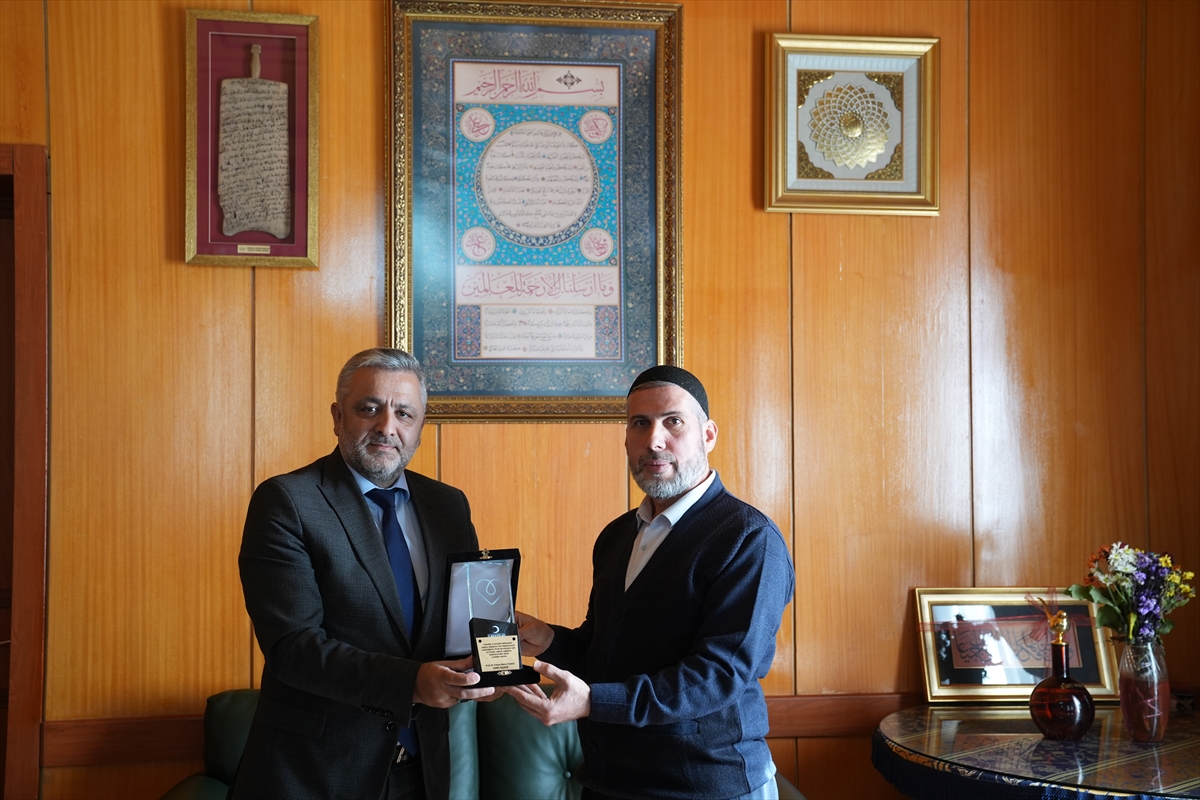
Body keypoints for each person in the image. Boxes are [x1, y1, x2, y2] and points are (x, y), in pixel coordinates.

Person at [504, 365, 795, 800]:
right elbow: (604, 653)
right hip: (609, 783)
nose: (654, 440)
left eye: (672, 421)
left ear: (708, 435)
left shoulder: (749, 539)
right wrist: (549, 641)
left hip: (706, 788)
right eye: (640, 423)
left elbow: (718, 675)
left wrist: (593, 702)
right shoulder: (617, 536)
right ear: (626, 438)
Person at [232, 348, 495, 800]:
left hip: (421, 772)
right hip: (315, 774)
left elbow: (464, 618)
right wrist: (412, 683)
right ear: (338, 417)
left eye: (404, 413)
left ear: (420, 427)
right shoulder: (288, 502)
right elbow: (292, 648)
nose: (387, 427)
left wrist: (492, 663)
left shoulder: (448, 506)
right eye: (369, 408)